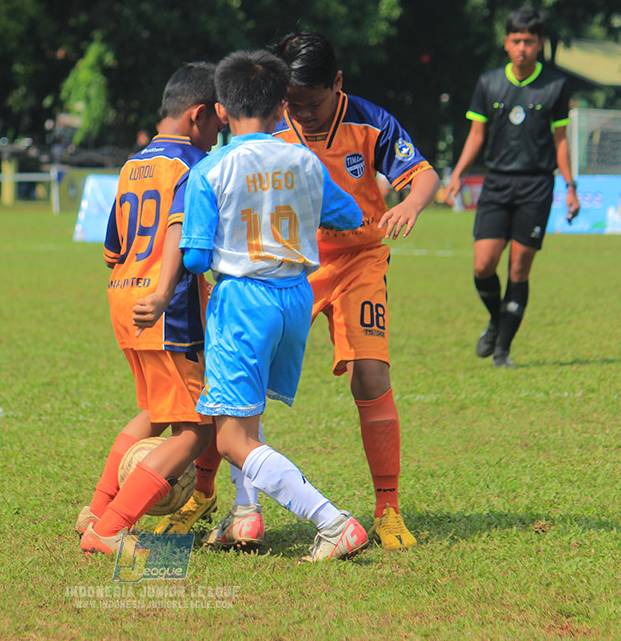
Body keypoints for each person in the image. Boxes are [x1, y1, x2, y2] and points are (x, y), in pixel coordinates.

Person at [224, 30, 438, 553]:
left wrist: (410, 203)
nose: (303, 115)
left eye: (313, 103)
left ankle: (387, 508)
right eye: (292, 104)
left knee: (371, 373)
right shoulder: (269, 129)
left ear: (337, 84)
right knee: (236, 378)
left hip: (359, 261)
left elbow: (424, 173)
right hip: (287, 267)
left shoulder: (370, 121)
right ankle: (227, 503)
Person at [179, 49, 367, 562]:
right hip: (295, 297)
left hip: (243, 299)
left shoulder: (211, 169)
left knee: (231, 439)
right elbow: (348, 215)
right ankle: (245, 515)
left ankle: (332, 522)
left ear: (221, 110)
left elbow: (195, 258)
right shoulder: (304, 159)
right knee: (244, 412)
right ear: (282, 106)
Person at [77, 62, 227, 555]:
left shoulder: (132, 164)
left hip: (125, 297)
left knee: (155, 412)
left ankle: (97, 509)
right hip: (168, 309)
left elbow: (110, 249)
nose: (218, 135)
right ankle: (111, 526)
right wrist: (168, 291)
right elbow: (182, 236)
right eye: (216, 125)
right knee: (197, 430)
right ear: (197, 115)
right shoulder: (195, 167)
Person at [445, 7, 579, 369]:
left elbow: (562, 140)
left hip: (536, 185)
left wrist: (570, 185)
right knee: (483, 265)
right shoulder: (489, 83)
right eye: (516, 40)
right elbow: (477, 134)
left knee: (519, 268)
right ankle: (495, 319)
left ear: (539, 44)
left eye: (529, 41)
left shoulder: (555, 85)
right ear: (506, 43)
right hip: (497, 182)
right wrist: (457, 173)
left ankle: (502, 350)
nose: (522, 47)